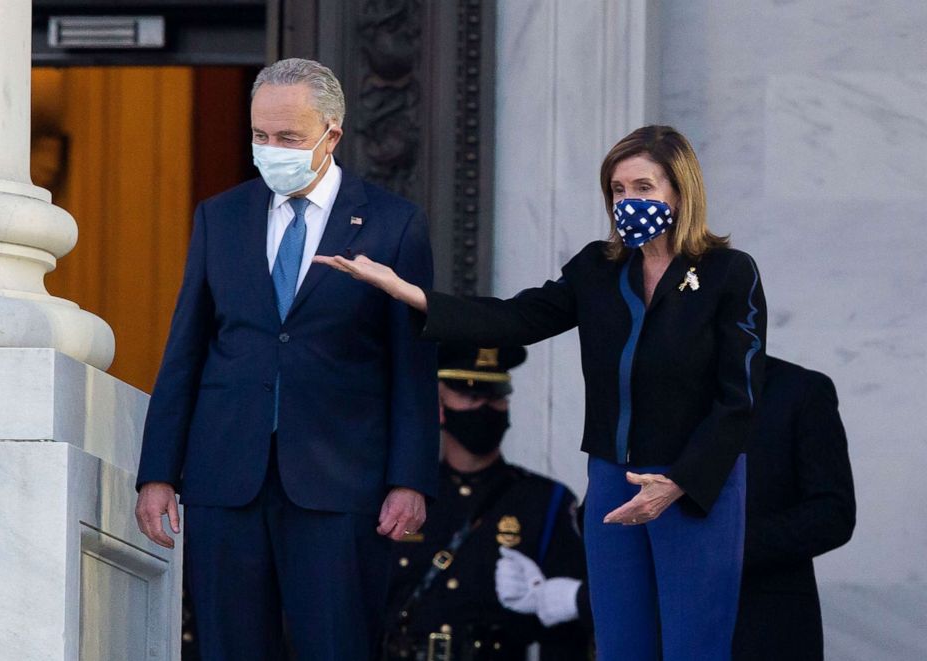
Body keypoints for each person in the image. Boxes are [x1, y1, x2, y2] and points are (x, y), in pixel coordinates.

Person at [316, 124, 767, 660]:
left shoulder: (726, 273)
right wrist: (407, 291)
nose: (629, 201)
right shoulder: (598, 269)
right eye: (618, 191)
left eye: (643, 187)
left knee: (695, 647)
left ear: (679, 190)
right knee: (623, 645)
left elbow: (740, 398)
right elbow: (513, 319)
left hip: (692, 483)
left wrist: (676, 484)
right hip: (613, 479)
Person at [134, 58, 440, 661]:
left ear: (332, 132)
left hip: (339, 481)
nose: (271, 149)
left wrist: (409, 479)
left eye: (289, 138)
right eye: (260, 136)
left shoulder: (392, 224)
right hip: (226, 477)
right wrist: (157, 471)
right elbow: (186, 350)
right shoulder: (219, 216)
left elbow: (411, 364)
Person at [384, 343, 591, 660]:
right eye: (470, 397)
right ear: (439, 406)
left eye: (496, 398)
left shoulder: (544, 500)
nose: (485, 408)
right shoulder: (407, 497)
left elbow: (566, 629)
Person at [733, 356, 856, 660]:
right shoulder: (648, 393)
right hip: (658, 628)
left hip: (766, 628)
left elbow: (833, 512)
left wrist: (729, 546)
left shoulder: (800, 391)